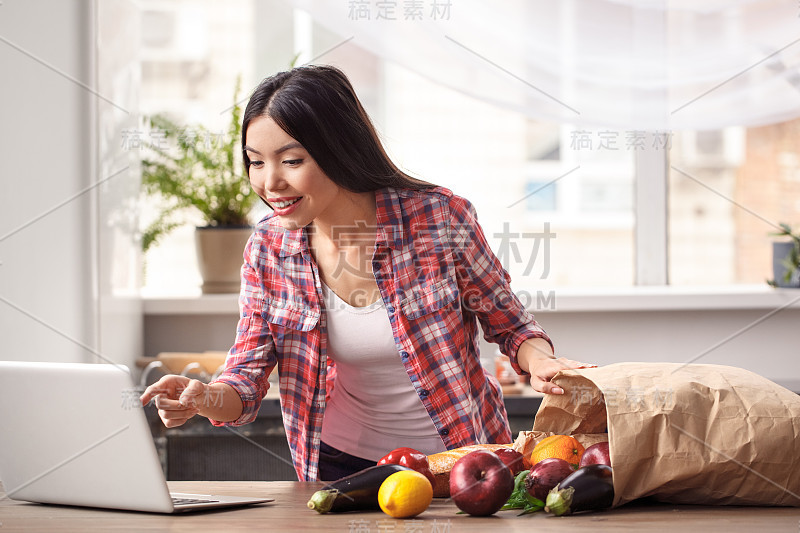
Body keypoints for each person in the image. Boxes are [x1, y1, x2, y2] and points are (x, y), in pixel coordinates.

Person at [141, 65, 593, 482]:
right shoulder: (269, 248)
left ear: (339, 149)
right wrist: (205, 398)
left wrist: (541, 362)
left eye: (292, 161)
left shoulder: (438, 218)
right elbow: (246, 374)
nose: (270, 182)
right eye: (256, 161)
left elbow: (508, 323)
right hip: (340, 463)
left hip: (460, 459)